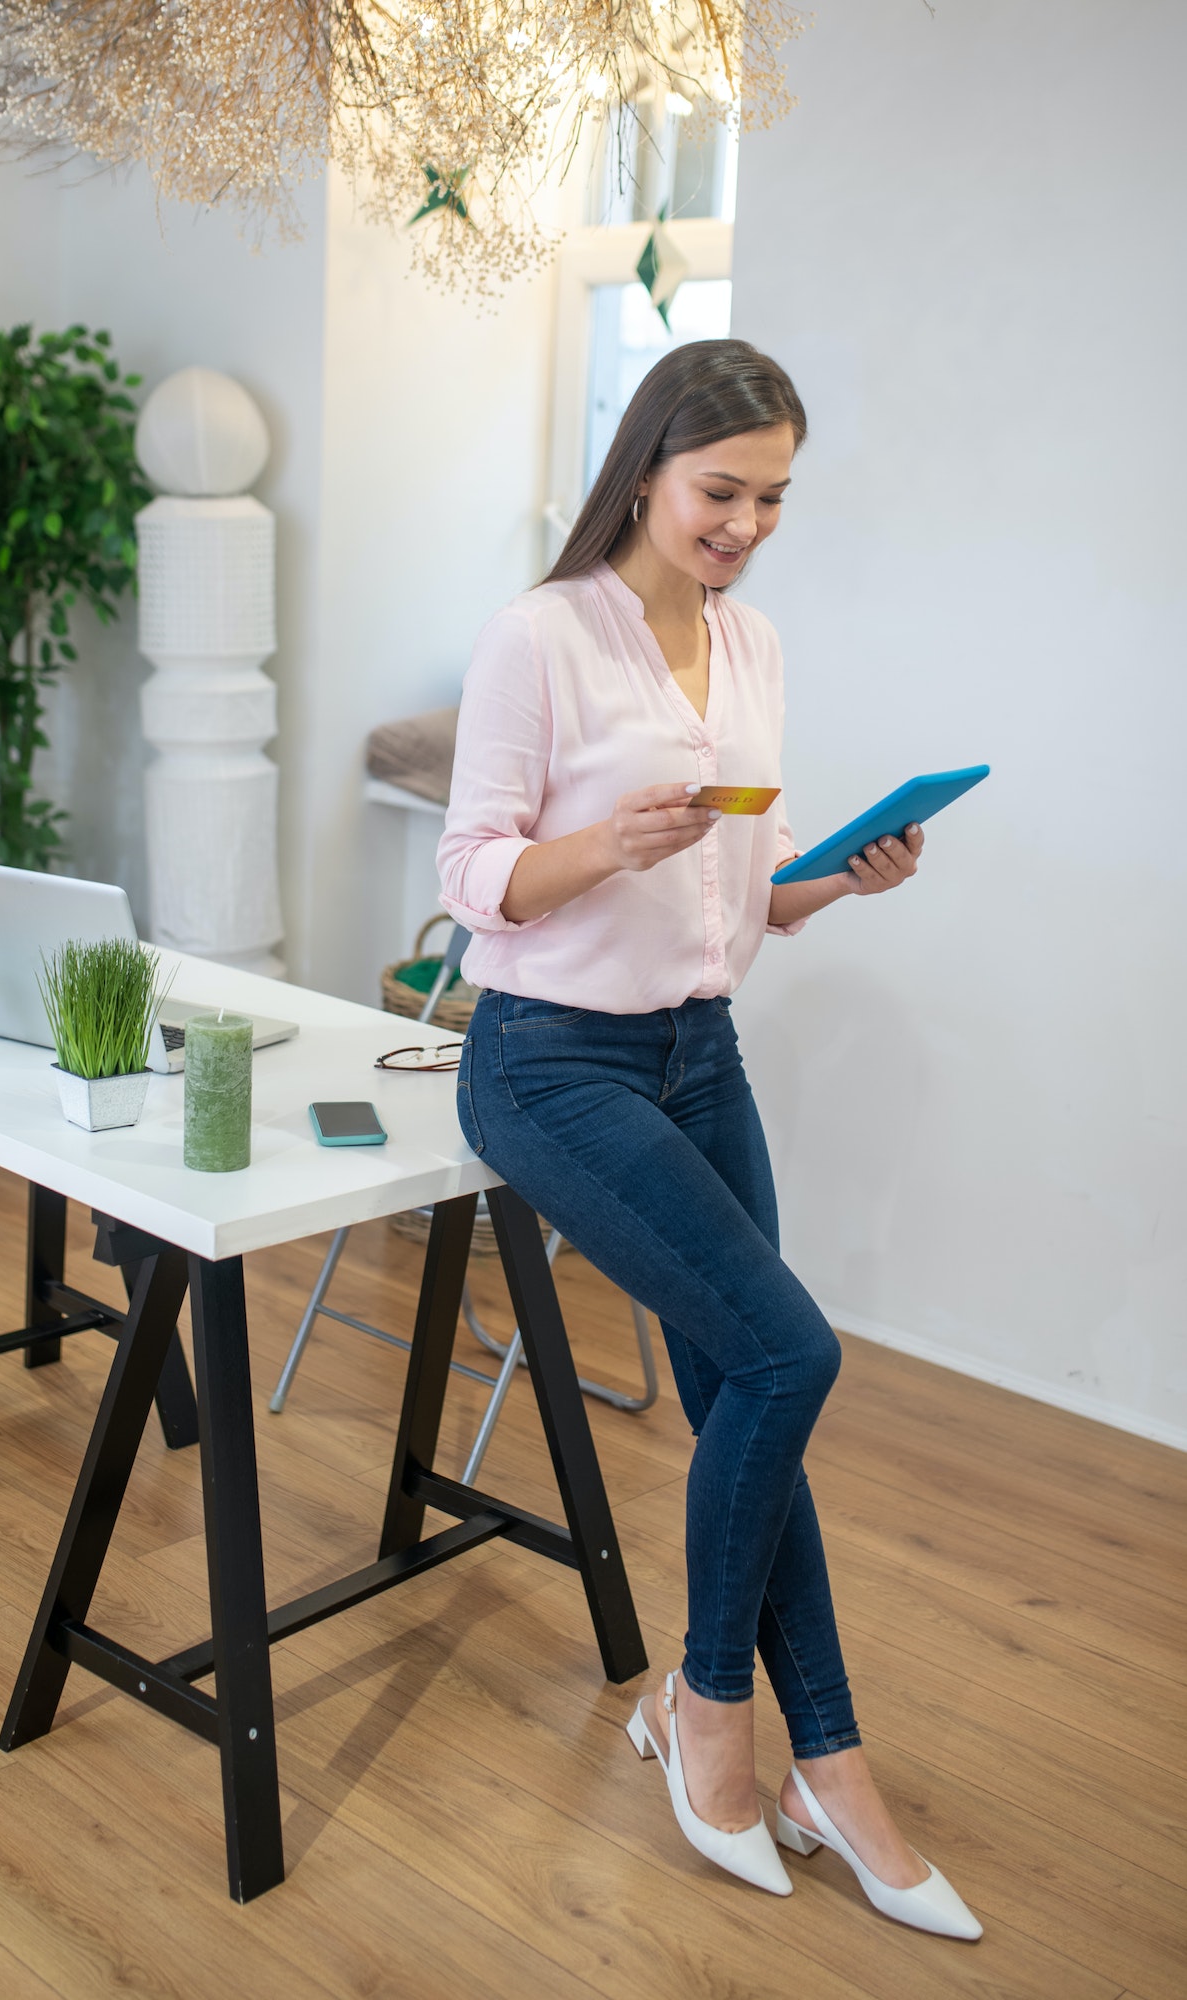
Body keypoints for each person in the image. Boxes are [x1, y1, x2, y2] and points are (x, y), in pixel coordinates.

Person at [436, 339, 981, 1940]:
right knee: (789, 1358)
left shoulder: (750, 650)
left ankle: (832, 1758)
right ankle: (706, 1705)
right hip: (546, 1065)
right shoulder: (538, 638)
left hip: (696, 1053)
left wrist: (831, 876)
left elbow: (741, 897)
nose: (744, 522)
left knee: (749, 1377)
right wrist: (598, 844)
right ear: (646, 472)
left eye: (772, 498)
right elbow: (476, 876)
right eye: (719, 490)